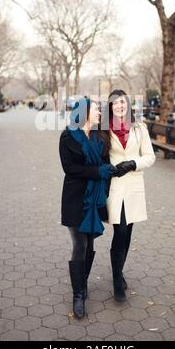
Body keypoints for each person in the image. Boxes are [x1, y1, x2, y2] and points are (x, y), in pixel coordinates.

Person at [59, 98, 118, 319]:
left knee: (90, 243)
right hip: (75, 197)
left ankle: (82, 286)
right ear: (84, 112)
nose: (100, 114)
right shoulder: (67, 136)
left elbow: (105, 160)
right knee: (80, 244)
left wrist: (107, 170)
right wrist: (97, 172)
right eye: (96, 110)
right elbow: (70, 168)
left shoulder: (98, 136)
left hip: (95, 198)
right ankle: (77, 295)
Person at [100, 89, 156, 302]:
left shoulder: (139, 128)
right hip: (114, 186)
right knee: (120, 230)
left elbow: (150, 157)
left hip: (133, 185)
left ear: (127, 104)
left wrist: (133, 163)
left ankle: (119, 271)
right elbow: (99, 155)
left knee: (128, 232)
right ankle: (117, 282)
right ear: (111, 107)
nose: (119, 106)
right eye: (115, 103)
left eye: (122, 102)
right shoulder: (104, 129)